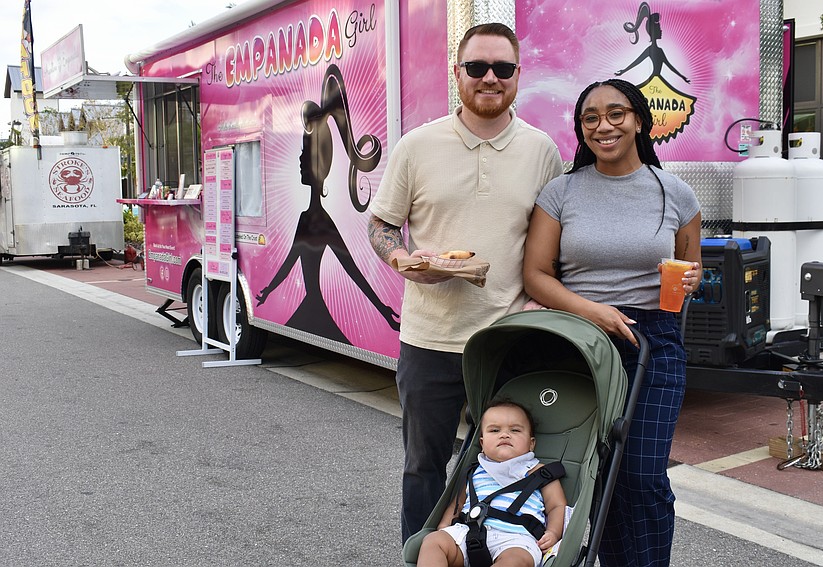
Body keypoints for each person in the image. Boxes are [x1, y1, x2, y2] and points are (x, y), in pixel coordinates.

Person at [367, 23, 564, 542]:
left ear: (518, 75)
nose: (490, 78)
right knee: (423, 467)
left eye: (502, 68)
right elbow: (381, 225)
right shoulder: (417, 146)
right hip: (429, 338)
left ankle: (503, 550)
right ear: (458, 74)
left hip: (508, 340)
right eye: (477, 67)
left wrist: (535, 307)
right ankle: (425, 555)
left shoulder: (542, 151)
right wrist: (402, 259)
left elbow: (553, 244)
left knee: (513, 464)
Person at [522, 78, 701, 567]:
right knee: (593, 471)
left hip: (653, 342)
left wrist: (691, 282)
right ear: (581, 129)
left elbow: (691, 268)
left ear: (640, 120)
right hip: (579, 341)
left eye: (616, 113)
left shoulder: (676, 194)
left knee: (641, 474)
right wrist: (591, 310)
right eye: (591, 118)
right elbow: (536, 275)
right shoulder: (562, 191)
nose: (604, 125)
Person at [255, 64, 399, 342]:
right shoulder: (307, 217)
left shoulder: (318, 221)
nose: (299, 161)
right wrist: (266, 291)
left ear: (318, 166)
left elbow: (352, 271)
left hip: (314, 309)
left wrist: (383, 310)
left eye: (304, 155)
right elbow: (289, 263)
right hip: (312, 308)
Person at [417, 400, 567, 567]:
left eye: (515, 430)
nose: (504, 435)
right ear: (482, 443)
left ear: (531, 443)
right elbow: (457, 505)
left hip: (516, 539)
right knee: (433, 542)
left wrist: (553, 532)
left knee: (515, 562)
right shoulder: (475, 471)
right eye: (495, 430)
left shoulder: (540, 473)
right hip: (467, 532)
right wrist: (444, 528)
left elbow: (557, 506)